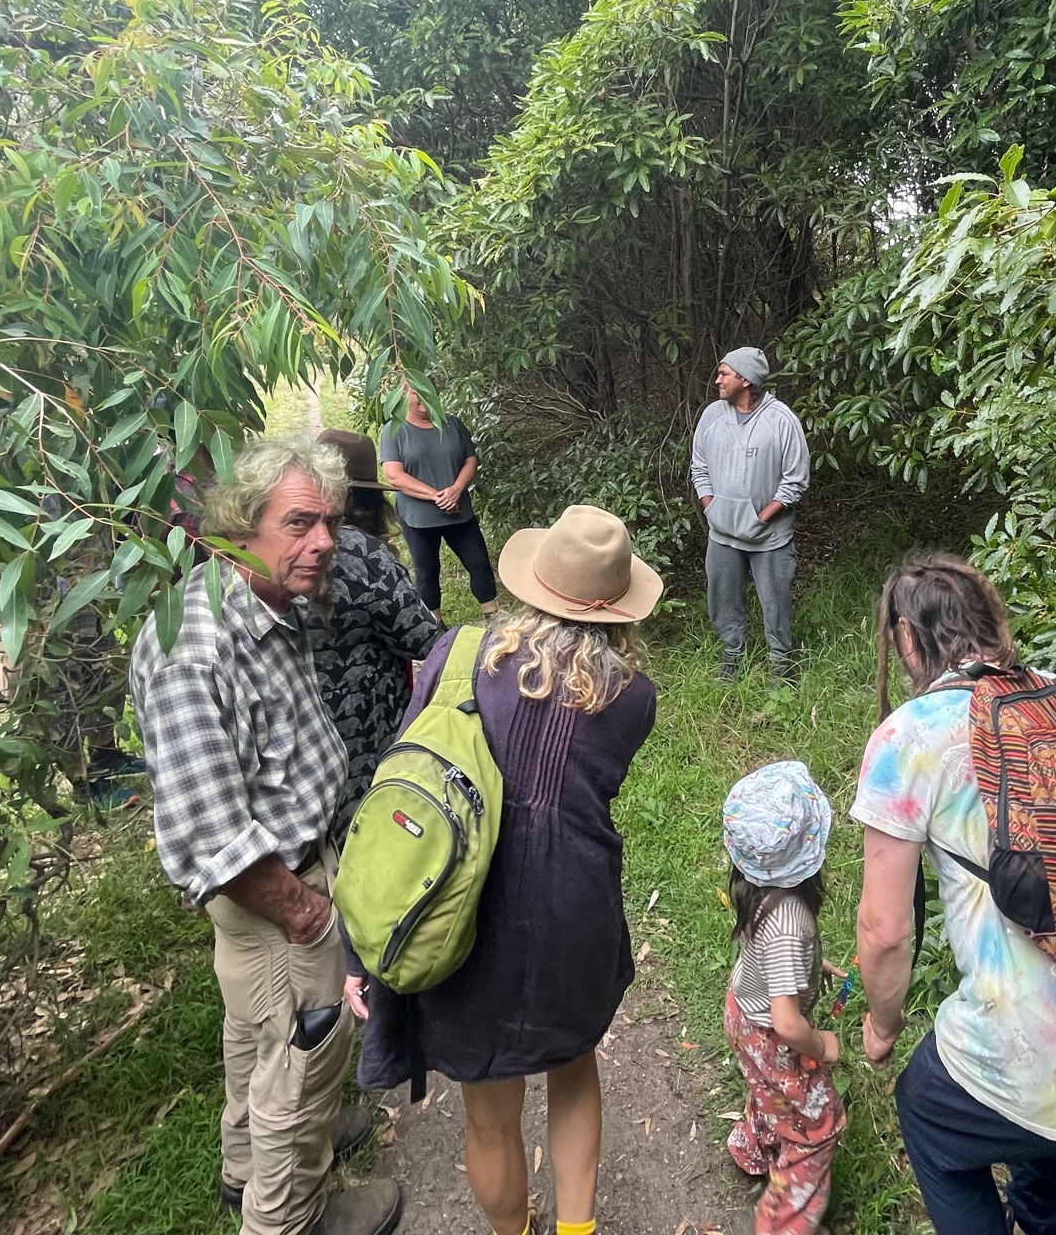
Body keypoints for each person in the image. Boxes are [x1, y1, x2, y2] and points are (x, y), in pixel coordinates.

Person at [343, 504, 663, 1235]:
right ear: (617, 609)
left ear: (534, 583)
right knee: (574, 1066)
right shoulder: (631, 699)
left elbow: (398, 784)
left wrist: (356, 940)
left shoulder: (458, 653)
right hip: (568, 911)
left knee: (489, 1116)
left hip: (458, 906)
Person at [850, 553, 1056, 1235]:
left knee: (927, 1106)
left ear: (908, 639)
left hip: (1054, 1061)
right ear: (987, 620)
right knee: (1018, 1112)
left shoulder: (909, 736)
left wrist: (882, 1028)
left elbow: (883, 931)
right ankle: (1039, 1222)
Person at [129, 435, 403, 1235]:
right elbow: (210, 835)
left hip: (280, 888)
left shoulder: (267, 605)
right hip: (277, 894)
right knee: (303, 1061)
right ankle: (292, 1216)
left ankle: (245, 1165)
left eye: (328, 522)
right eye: (298, 524)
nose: (324, 542)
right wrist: (307, 913)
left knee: (257, 1038)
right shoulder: (195, 646)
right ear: (239, 527)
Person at [721, 761, 844, 1235]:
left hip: (743, 1012)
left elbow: (773, 956)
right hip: (771, 1034)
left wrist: (813, 968)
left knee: (770, 1092)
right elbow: (789, 1025)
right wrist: (823, 1046)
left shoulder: (755, 887)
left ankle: (752, 1148)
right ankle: (783, 1224)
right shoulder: (790, 918)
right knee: (816, 1124)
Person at [312, 428, 444, 844]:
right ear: (368, 496)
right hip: (365, 737)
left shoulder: (272, 551)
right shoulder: (361, 553)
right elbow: (424, 637)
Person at [689, 346, 810, 682]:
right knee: (722, 602)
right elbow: (699, 466)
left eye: (724, 373)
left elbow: (795, 480)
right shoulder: (712, 416)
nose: (717, 380)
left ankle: (781, 667)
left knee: (776, 605)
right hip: (722, 534)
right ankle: (731, 659)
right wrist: (711, 506)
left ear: (745, 379)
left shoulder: (781, 420)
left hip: (769, 538)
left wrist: (762, 517)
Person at [380, 384, 500, 619]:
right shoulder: (393, 430)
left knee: (479, 564)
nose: (424, 399)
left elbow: (471, 459)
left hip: (459, 513)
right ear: (405, 396)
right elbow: (394, 475)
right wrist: (436, 496)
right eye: (417, 394)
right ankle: (433, 629)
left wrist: (456, 489)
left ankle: (493, 617)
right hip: (418, 519)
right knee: (427, 573)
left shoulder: (452, 423)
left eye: (429, 393)